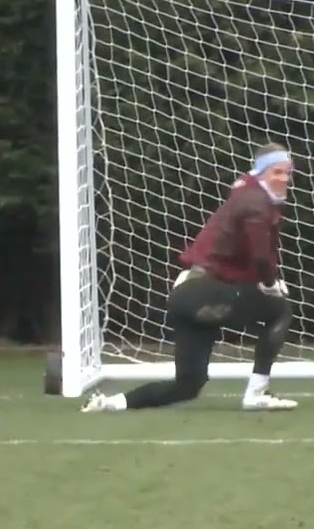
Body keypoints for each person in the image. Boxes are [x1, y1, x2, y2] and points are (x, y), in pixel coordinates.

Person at [82, 142, 299, 413]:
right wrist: (270, 283)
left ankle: (110, 404)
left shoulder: (247, 190)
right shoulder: (257, 203)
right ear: (261, 171)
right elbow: (260, 256)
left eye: (288, 173)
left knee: (188, 385)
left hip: (187, 294)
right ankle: (257, 393)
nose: (285, 179)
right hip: (205, 291)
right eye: (278, 172)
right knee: (279, 310)